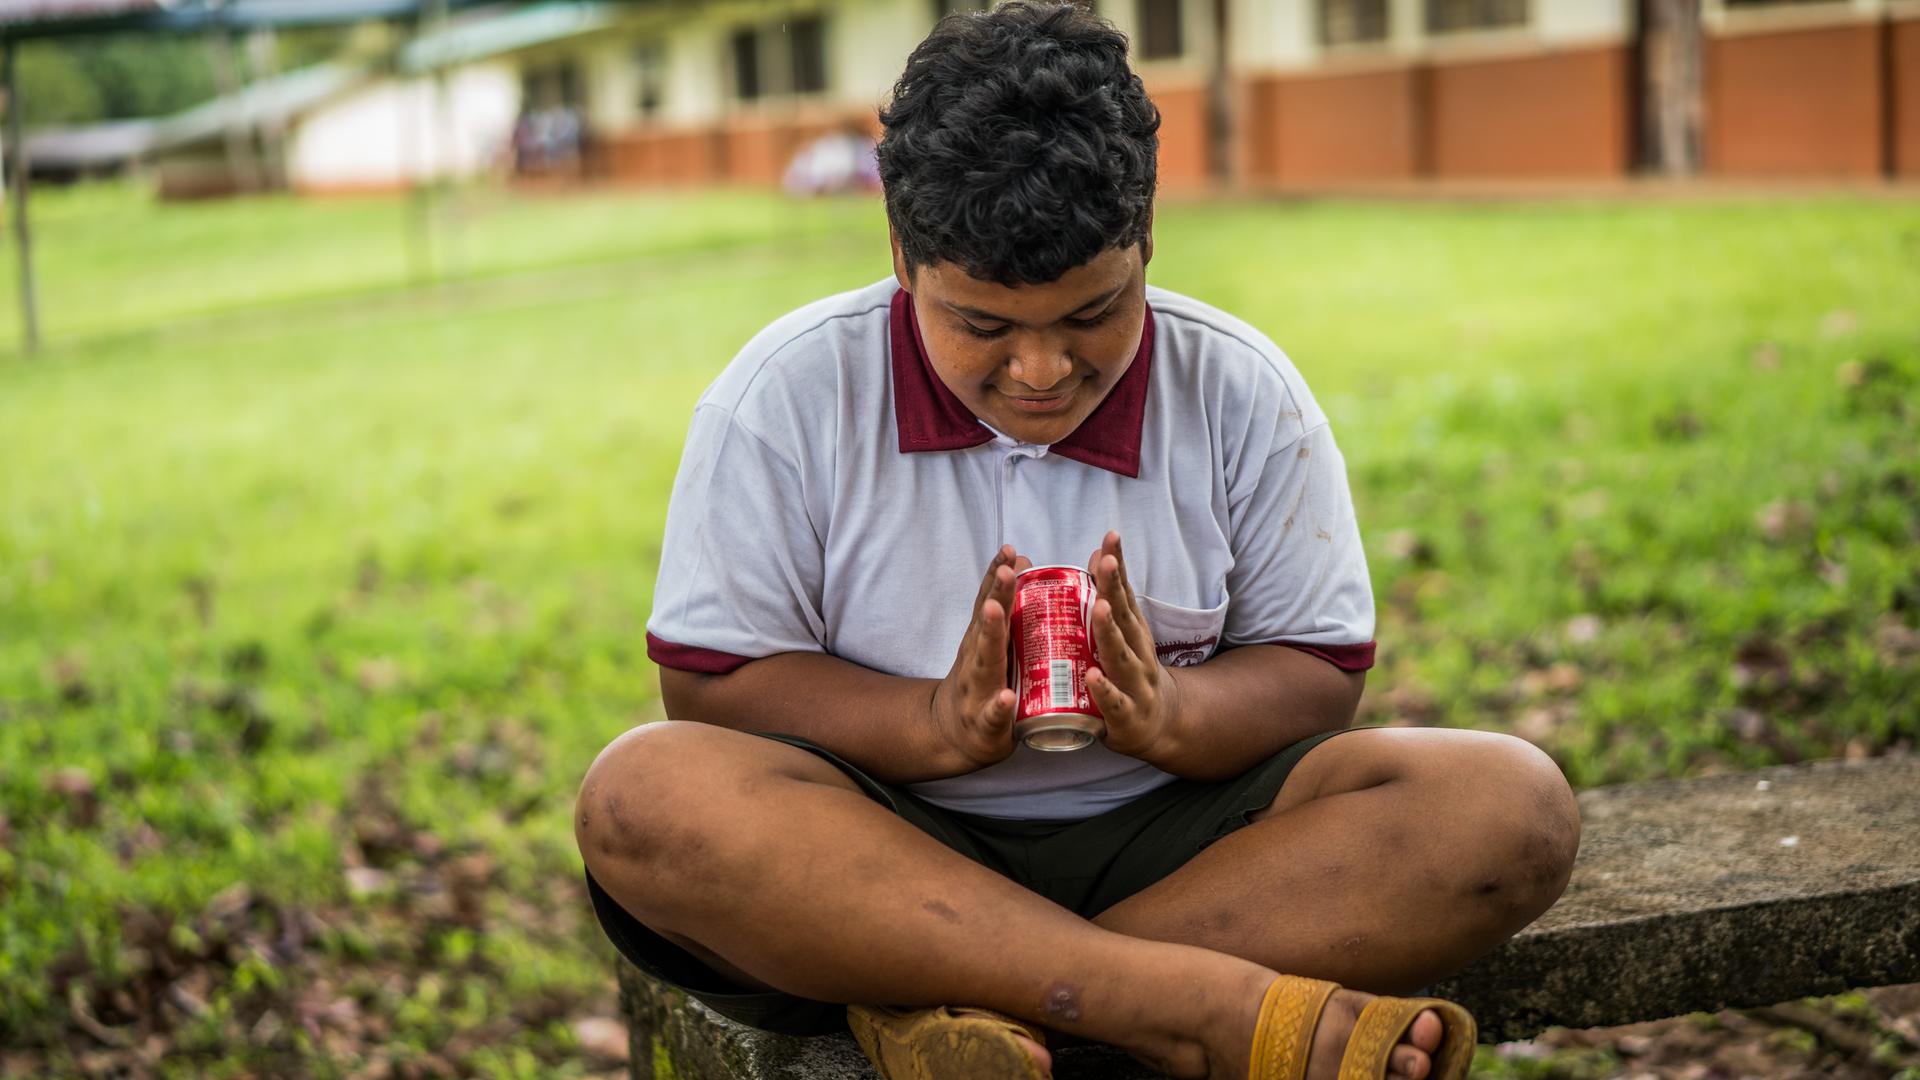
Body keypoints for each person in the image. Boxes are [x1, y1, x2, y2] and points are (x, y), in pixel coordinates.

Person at [575, 4, 1580, 1078]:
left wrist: (1175, 714)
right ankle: (1196, 1011)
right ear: (903, 255)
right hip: (883, 846)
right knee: (642, 796)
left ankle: (958, 999)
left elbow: (1318, 675)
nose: (1043, 372)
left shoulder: (1239, 390)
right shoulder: (786, 398)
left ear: (1146, 241)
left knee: (1508, 809)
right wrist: (929, 725)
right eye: (984, 326)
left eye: (1094, 313)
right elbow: (713, 687)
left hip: (1190, 849)